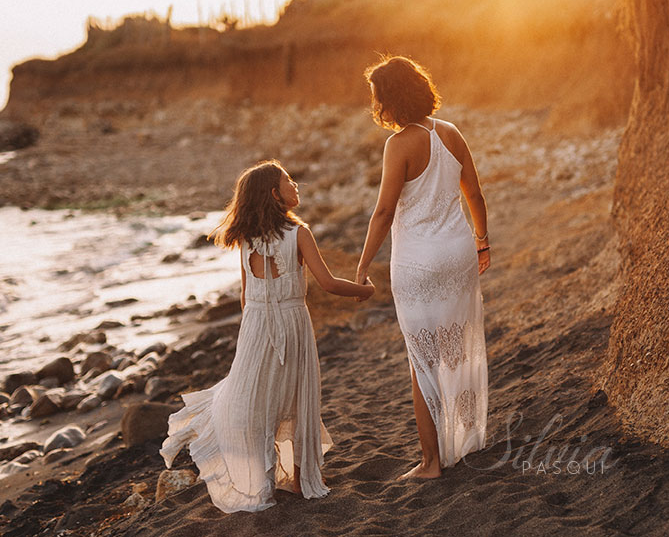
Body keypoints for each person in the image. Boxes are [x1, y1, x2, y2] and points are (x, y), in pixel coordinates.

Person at [162, 160, 373, 513]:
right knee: (293, 396)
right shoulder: (299, 235)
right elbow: (329, 283)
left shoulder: (246, 240)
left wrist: (256, 330)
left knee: (257, 400)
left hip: (256, 326)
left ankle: (261, 484)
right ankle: (298, 478)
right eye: (288, 180)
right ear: (275, 195)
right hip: (292, 322)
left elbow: (246, 298)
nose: (296, 184)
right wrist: (365, 291)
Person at [355, 56, 490, 479]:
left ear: (389, 99)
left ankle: (431, 462)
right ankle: (463, 442)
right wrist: (482, 241)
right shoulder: (450, 133)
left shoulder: (399, 144)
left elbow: (382, 213)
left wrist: (360, 268)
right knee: (458, 351)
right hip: (459, 254)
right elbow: (476, 195)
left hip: (418, 263)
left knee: (421, 360)